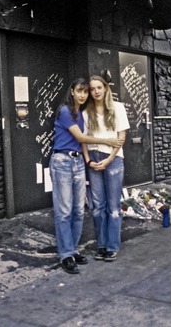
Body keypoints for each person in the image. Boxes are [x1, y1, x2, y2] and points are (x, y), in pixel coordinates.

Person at [50, 78, 125, 274]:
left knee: (78, 210)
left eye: (87, 91)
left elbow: (120, 137)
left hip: (79, 163)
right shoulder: (68, 111)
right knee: (65, 210)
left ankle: (74, 249)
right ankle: (66, 254)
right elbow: (82, 138)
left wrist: (102, 158)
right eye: (81, 91)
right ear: (72, 92)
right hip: (64, 161)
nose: (85, 94)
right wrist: (106, 142)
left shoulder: (83, 112)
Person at [83, 75, 129, 262]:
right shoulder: (87, 112)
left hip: (113, 159)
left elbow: (122, 137)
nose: (96, 91)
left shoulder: (117, 107)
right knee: (97, 207)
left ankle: (112, 247)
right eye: (92, 89)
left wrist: (109, 159)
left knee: (113, 207)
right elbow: (84, 140)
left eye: (99, 87)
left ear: (105, 88)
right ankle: (101, 245)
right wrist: (88, 161)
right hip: (93, 159)